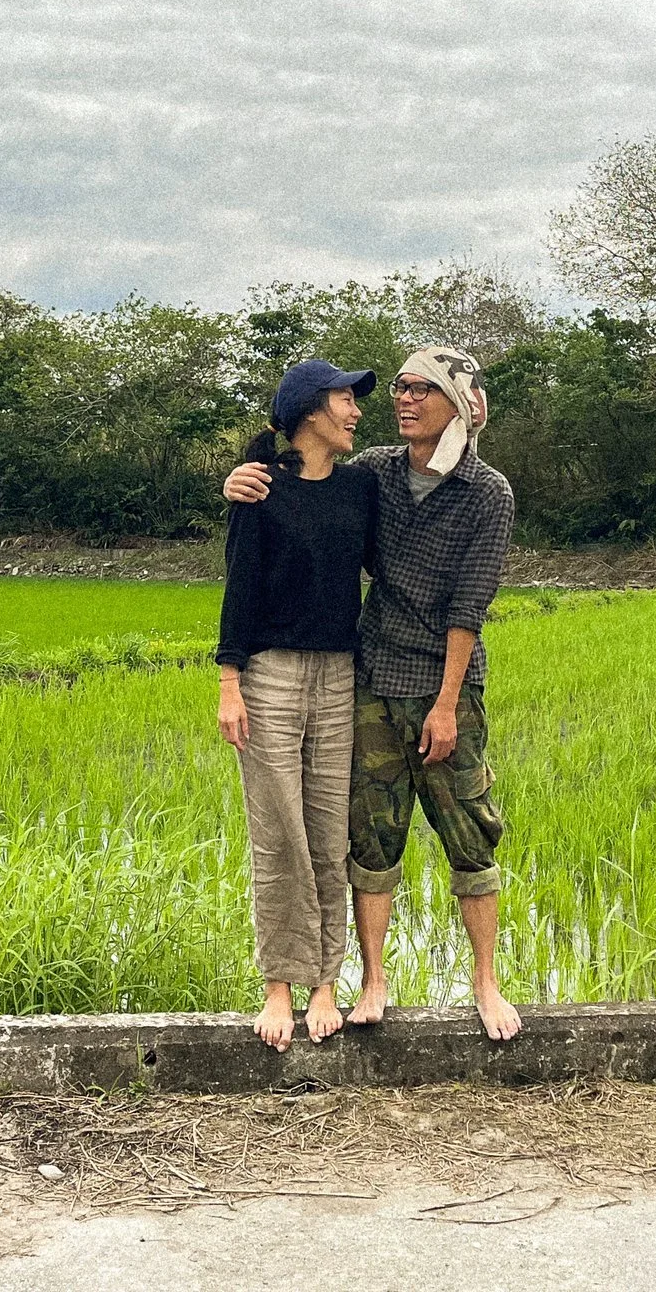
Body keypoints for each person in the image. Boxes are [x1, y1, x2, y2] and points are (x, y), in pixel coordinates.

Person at [224, 345, 520, 1041]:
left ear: (458, 404)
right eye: (400, 388)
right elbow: (301, 486)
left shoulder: (486, 492)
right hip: (372, 679)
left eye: (421, 389)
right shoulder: (378, 473)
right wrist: (240, 474)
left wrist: (447, 704)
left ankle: (485, 982)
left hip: (440, 688)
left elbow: (467, 608)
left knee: (469, 835)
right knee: (367, 837)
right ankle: (371, 980)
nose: (401, 399)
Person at [215, 357, 380, 1051]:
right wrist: (229, 681)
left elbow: (432, 480)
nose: (357, 411)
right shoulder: (260, 493)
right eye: (346, 398)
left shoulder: (362, 487)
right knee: (277, 831)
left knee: (327, 831)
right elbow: (240, 589)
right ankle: (280, 985)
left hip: (339, 675)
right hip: (271, 676)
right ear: (311, 409)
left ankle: (326, 983)